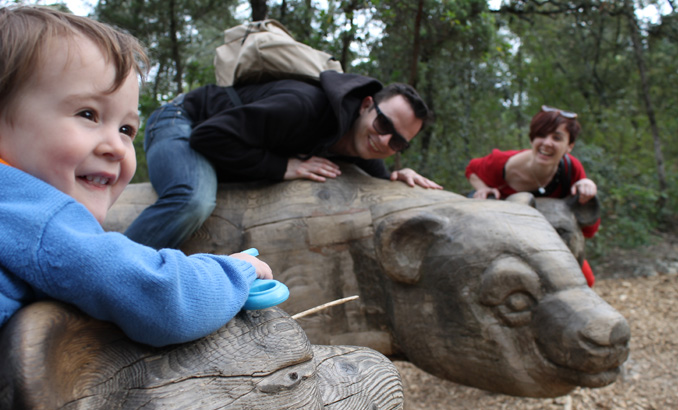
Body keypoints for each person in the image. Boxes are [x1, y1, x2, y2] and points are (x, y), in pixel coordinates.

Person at [0, 5, 272, 347]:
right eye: (88, 114)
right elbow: (164, 301)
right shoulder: (33, 215)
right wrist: (238, 272)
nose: (116, 146)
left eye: (127, 128)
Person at [124, 72, 443, 250]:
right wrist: (283, 166)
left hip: (215, 142)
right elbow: (208, 138)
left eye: (398, 141)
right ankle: (104, 271)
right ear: (366, 105)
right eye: (384, 125)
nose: (385, 141)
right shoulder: (303, 107)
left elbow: (377, 181)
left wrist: (398, 179)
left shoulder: (358, 143)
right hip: (183, 120)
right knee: (193, 200)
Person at [465, 105, 599, 285]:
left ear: (570, 146)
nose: (547, 143)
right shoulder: (503, 164)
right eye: (541, 135)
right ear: (532, 139)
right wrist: (483, 188)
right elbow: (472, 170)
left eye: (557, 138)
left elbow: (588, 229)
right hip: (505, 241)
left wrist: (587, 189)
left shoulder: (571, 169)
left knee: (586, 280)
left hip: (552, 246)